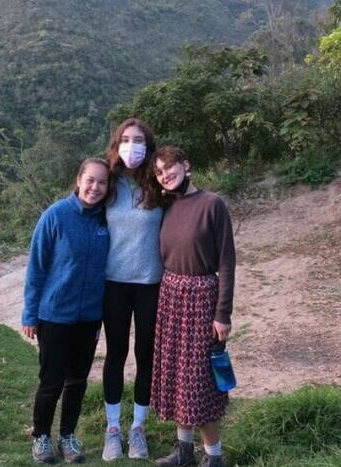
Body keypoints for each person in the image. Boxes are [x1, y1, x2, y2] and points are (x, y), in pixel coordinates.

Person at [150, 146, 235, 467]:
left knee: (199, 380)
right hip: (170, 295)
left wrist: (222, 314)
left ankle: (214, 456)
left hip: (202, 297)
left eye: (169, 167)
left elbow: (227, 261)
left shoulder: (212, 204)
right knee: (178, 378)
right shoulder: (167, 206)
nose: (165, 174)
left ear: (186, 165)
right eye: (158, 172)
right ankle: (184, 452)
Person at [22, 158, 111, 464]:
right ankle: (41, 437)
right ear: (78, 179)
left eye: (102, 182)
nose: (95, 187)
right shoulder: (55, 215)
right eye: (90, 180)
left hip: (89, 317)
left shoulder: (106, 220)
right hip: (54, 315)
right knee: (51, 381)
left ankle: (68, 436)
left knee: (77, 380)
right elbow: (36, 267)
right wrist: (29, 314)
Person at [100, 119, 164, 461]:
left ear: (148, 145)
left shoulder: (158, 184)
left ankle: (138, 428)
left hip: (151, 284)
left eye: (138, 140)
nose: (131, 146)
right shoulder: (108, 183)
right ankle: (113, 429)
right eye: (125, 139)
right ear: (116, 144)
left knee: (145, 356)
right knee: (115, 355)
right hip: (114, 285)